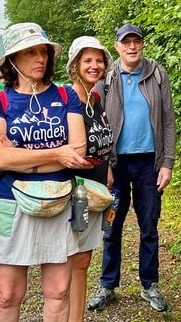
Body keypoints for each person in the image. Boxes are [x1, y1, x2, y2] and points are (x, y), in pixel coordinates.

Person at [0, 22, 92, 322]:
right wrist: (57, 153)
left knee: (59, 291)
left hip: (58, 200)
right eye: (30, 52)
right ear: (12, 60)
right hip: (9, 203)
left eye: (43, 51)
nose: (40, 58)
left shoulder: (66, 95)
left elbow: (78, 152)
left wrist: (19, 156)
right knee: (7, 294)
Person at [87, 23, 176, 313]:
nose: (132, 47)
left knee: (148, 225)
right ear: (117, 47)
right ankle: (107, 285)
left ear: (142, 44)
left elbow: (167, 121)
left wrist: (167, 164)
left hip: (149, 163)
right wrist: (103, 167)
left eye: (136, 41)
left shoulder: (156, 73)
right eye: (126, 42)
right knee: (111, 226)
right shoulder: (107, 79)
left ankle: (149, 285)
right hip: (116, 164)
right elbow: (96, 125)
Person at [65, 36, 116, 322]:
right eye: (88, 61)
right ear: (75, 65)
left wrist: (107, 166)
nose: (94, 66)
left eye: (99, 60)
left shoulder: (95, 98)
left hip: (97, 189)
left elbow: (102, 141)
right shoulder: (68, 99)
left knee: (84, 261)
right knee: (75, 261)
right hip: (78, 192)